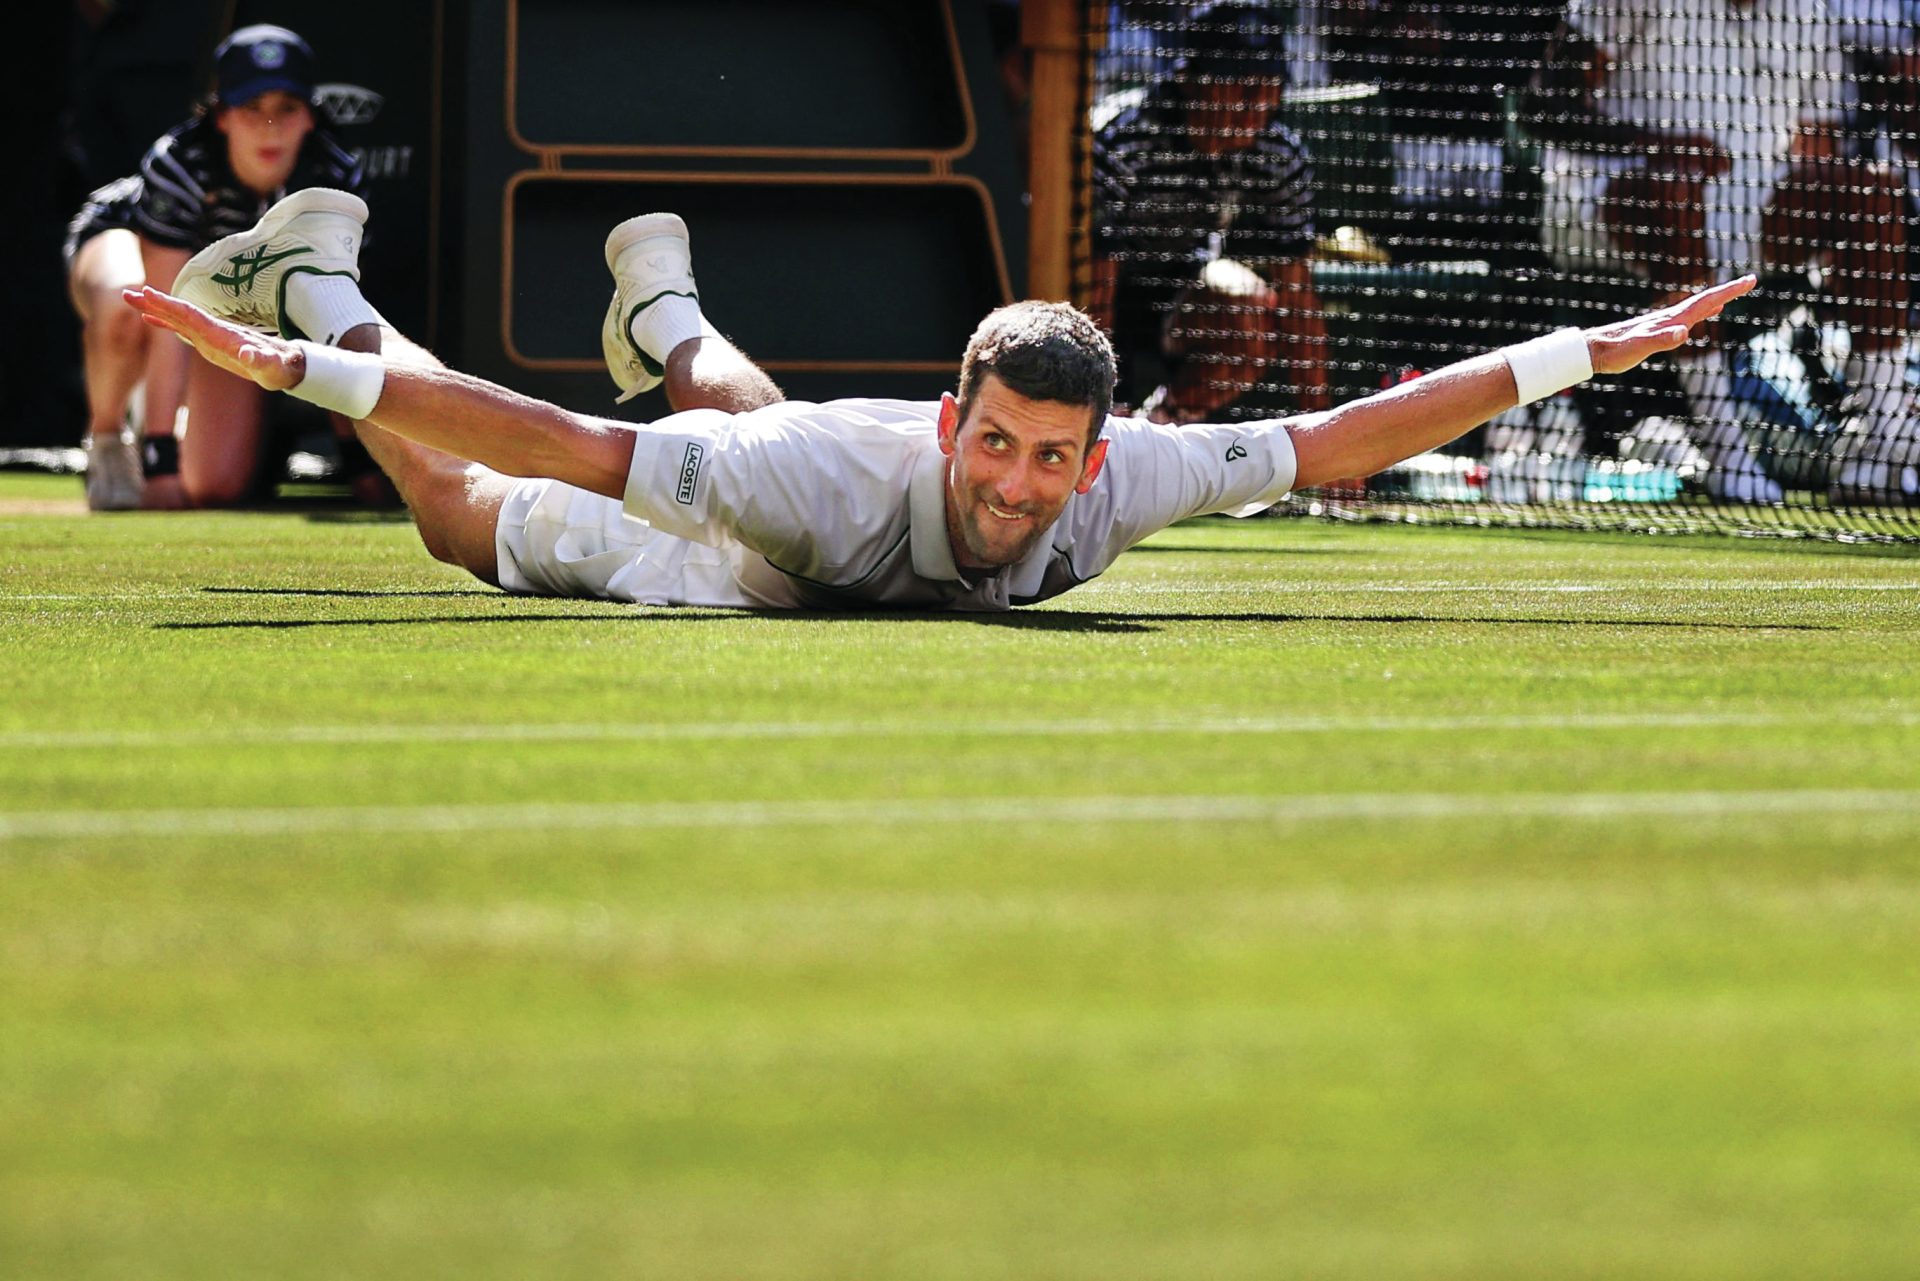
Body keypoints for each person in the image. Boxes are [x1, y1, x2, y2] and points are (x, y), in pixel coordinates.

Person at [122, 188, 1751, 610]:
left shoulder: (1129, 481)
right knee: (460, 520)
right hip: (714, 547)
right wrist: (310, 369)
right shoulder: (824, 478)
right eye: (1001, 447)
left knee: (735, 415)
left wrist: (1589, 351)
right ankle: (317, 281)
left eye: (1055, 458)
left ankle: (664, 300)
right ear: (954, 417)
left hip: (772, 461)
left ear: (1098, 450)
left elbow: (1342, 440)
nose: (1024, 486)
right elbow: (556, 442)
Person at [1531, 0, 1916, 504]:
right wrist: (1655, 145)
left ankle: (1883, 444)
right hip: (1601, 195)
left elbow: (1819, 139)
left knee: (1872, 195)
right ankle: (1725, 453)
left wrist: (1830, 243)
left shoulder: (1809, 8)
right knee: (1676, 190)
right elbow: (1545, 104)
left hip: (1746, 202)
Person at [65, 22, 369, 510]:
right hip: (124, 240)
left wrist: (361, 464)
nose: (269, 127)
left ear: (310, 118)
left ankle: (163, 411)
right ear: (222, 117)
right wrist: (161, 466)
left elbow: (331, 318)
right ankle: (107, 438)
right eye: (252, 108)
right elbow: (163, 314)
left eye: (286, 109)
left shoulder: (335, 178)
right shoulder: (179, 163)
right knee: (128, 305)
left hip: (227, 299)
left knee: (215, 486)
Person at [1091, 1, 1332, 424]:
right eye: (1236, 82)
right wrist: (1097, 398)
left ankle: (1158, 431)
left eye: (1267, 83)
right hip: (1095, 285)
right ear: (1189, 80)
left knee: (1252, 313)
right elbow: (1096, 275)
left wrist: (1328, 431)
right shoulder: (1125, 142)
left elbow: (1297, 293)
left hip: (1181, 283)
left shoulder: (1278, 155)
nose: (1254, 101)